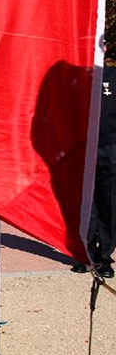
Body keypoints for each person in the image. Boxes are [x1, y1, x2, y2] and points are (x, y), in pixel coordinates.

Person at [73, 63, 116, 277]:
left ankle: (105, 258)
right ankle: (85, 255)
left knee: (109, 205)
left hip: (110, 147)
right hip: (83, 148)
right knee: (86, 205)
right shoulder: (78, 76)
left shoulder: (112, 76)